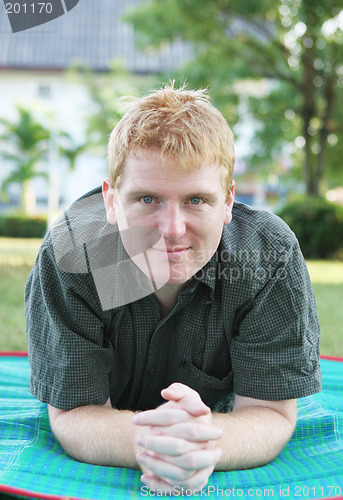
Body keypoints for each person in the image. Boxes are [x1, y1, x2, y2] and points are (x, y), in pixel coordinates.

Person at [25, 83, 321, 494]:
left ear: (229, 201)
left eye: (197, 200)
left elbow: (270, 413)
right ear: (111, 201)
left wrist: (206, 447)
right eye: (148, 199)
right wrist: (155, 446)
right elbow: (76, 412)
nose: (172, 229)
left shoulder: (269, 258)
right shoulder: (73, 256)